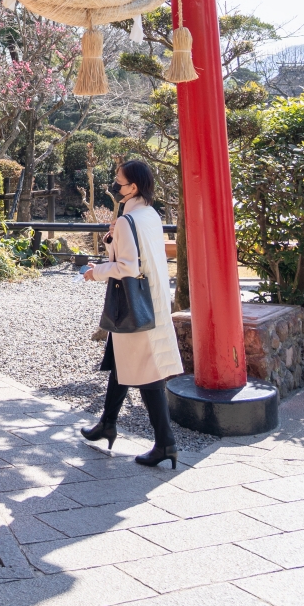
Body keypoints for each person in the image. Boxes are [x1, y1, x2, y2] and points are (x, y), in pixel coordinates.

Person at [80, 159, 183, 468]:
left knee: (147, 373)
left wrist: (95, 272)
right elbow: (137, 253)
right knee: (122, 361)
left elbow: (128, 267)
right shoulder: (148, 214)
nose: (115, 184)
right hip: (153, 300)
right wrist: (114, 238)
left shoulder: (129, 219)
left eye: (119, 181)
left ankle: (166, 443)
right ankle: (107, 424)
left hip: (136, 305)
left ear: (133, 186)